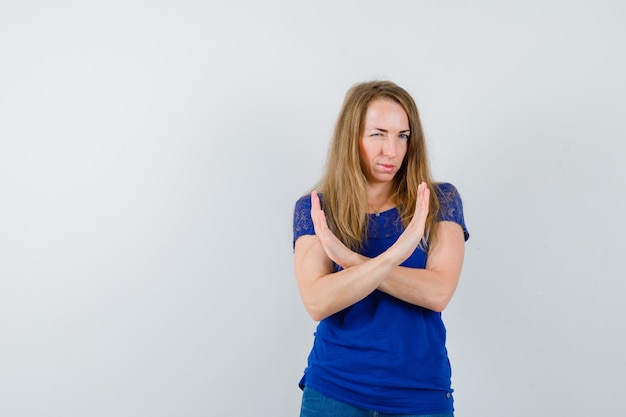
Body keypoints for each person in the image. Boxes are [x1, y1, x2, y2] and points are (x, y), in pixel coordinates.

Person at [292, 80, 470, 417]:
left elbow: (437, 292)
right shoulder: (317, 209)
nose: (392, 150)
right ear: (352, 137)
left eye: (402, 135)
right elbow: (317, 301)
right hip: (334, 390)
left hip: (420, 395)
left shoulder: (439, 201)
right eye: (378, 134)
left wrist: (351, 261)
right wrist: (395, 255)